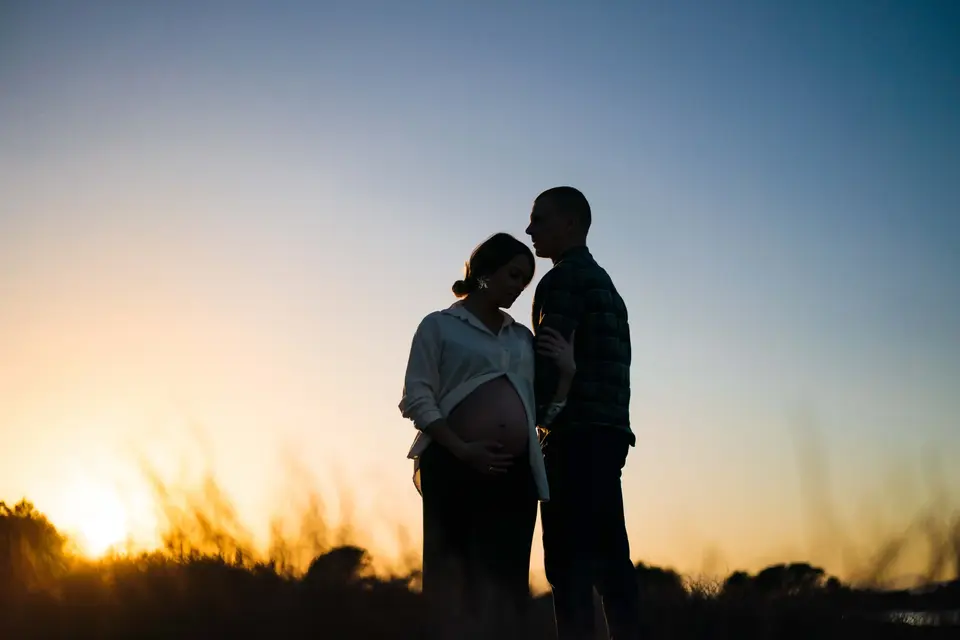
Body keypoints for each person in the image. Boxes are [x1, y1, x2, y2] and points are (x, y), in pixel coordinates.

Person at [398, 232, 577, 640]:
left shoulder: (522, 339)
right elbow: (417, 396)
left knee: (507, 589)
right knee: (452, 584)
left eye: (524, 281)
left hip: (514, 477)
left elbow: (542, 415)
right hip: (453, 466)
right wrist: (462, 449)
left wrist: (565, 375)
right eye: (513, 275)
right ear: (484, 272)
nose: (518, 287)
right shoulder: (439, 326)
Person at [525, 187, 641, 640]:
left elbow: (549, 361)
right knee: (611, 560)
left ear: (570, 223)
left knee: (568, 565)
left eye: (539, 219)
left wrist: (528, 420)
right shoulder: (606, 284)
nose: (530, 229)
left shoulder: (563, 281)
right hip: (609, 435)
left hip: (573, 437)